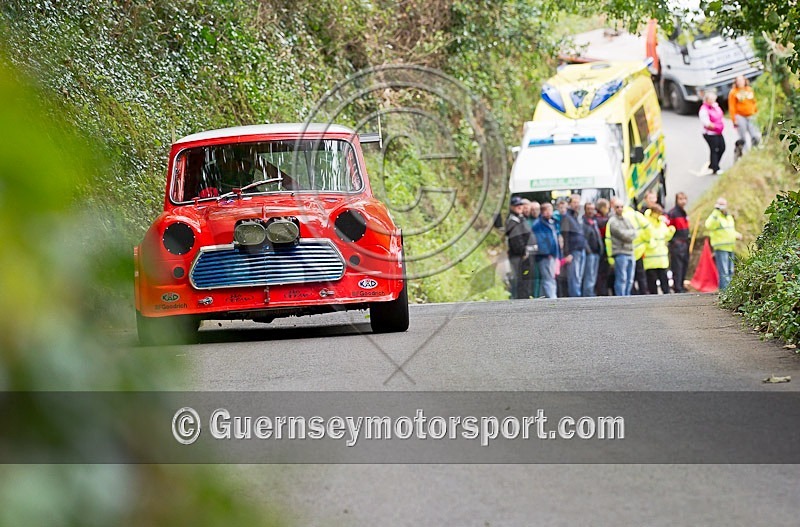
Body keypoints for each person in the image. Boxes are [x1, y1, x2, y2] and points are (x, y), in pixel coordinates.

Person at [704, 197, 742, 290]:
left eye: (723, 204)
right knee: (724, 272)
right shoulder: (715, 217)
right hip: (721, 248)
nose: (722, 207)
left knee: (730, 271)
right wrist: (716, 211)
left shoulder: (728, 217)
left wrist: (737, 235)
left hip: (730, 247)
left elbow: (729, 231)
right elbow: (708, 225)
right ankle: (725, 292)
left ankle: (727, 291)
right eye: (720, 204)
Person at [505, 196, 537, 299]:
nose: (519, 207)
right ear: (511, 207)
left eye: (520, 205)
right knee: (521, 281)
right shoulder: (513, 221)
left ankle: (525, 300)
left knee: (526, 282)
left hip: (525, 256)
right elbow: (516, 239)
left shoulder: (520, 219)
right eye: (516, 205)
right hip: (519, 256)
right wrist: (523, 252)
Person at [606, 198, 637, 296]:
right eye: (617, 207)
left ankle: (627, 297)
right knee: (621, 278)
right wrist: (630, 235)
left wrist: (630, 234)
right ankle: (621, 298)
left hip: (630, 252)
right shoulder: (612, 221)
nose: (620, 209)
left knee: (630, 279)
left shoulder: (627, 220)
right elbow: (622, 234)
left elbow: (635, 232)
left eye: (621, 207)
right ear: (613, 208)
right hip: (620, 253)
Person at [643, 204, 675, 294]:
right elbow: (644, 237)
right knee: (652, 283)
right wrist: (651, 244)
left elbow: (665, 237)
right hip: (651, 258)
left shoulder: (661, 223)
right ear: (653, 213)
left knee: (664, 282)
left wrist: (671, 232)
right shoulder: (646, 223)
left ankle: (666, 296)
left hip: (661, 259)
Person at [531, 202, 561, 299]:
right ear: (542, 212)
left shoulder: (552, 222)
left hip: (552, 255)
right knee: (549, 278)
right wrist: (546, 253)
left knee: (548, 278)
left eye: (550, 210)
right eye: (547, 211)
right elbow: (540, 241)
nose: (549, 213)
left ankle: (542, 298)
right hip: (545, 256)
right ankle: (553, 298)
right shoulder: (538, 224)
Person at [561, 194, 588, 297]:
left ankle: (578, 296)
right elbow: (565, 236)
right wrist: (567, 253)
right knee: (574, 277)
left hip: (581, 249)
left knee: (579, 277)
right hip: (573, 251)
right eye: (574, 202)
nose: (576, 204)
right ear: (569, 204)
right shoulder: (566, 217)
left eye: (578, 202)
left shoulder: (576, 217)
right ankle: (575, 299)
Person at [729, 75, 761, 151]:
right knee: (742, 136)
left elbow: (754, 102)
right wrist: (734, 119)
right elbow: (732, 106)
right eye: (738, 81)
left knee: (755, 134)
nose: (740, 82)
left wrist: (757, 112)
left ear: (745, 81)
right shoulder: (733, 92)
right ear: (736, 82)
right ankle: (745, 152)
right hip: (740, 116)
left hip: (751, 115)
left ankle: (755, 149)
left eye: (741, 80)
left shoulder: (749, 89)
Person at [667, 192, 690, 293]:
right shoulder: (673, 213)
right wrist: (673, 241)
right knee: (678, 267)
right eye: (681, 199)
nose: (683, 201)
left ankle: (681, 284)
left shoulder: (683, 212)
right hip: (677, 243)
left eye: (684, 199)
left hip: (685, 242)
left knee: (684, 265)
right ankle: (677, 287)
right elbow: (668, 228)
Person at [699, 90, 726, 175]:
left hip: (718, 132)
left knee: (722, 147)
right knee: (714, 149)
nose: (713, 101)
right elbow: (707, 123)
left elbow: (720, 116)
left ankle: (713, 164)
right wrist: (716, 127)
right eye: (711, 99)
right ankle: (715, 167)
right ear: (707, 100)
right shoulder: (703, 110)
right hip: (710, 133)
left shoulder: (715, 106)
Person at [582, 201, 603, 297]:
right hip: (589, 253)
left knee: (593, 276)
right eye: (588, 209)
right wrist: (588, 250)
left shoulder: (594, 221)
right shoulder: (583, 222)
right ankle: (588, 295)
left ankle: (591, 293)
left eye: (592, 209)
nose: (591, 211)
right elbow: (583, 238)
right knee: (589, 276)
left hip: (596, 253)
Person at [594, 198, 613, 296]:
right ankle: (602, 292)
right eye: (607, 208)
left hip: (602, 250)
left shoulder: (597, 219)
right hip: (602, 250)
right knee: (602, 274)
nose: (608, 210)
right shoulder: (600, 220)